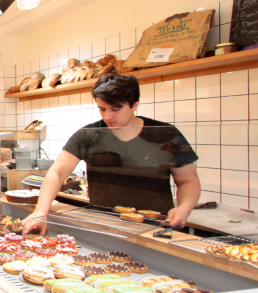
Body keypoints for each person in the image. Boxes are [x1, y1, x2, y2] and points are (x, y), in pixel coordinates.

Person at [22, 73, 200, 237]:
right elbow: (57, 173)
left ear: (135, 105)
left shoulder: (165, 134)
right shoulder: (88, 135)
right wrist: (41, 211)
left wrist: (184, 208)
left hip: (154, 229)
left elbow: (187, 180)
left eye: (115, 109)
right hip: (101, 226)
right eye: (102, 109)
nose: (108, 116)